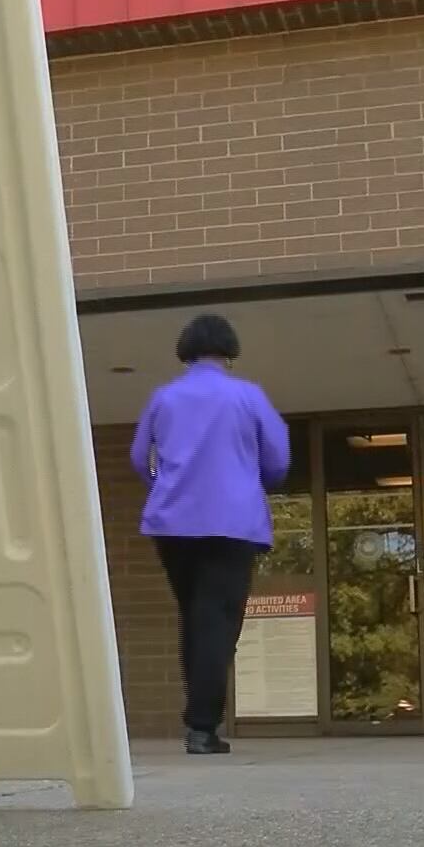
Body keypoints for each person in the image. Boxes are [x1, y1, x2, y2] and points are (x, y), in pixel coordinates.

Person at [129, 314, 290, 755]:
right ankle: (202, 726)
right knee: (217, 622)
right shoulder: (248, 397)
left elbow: (139, 457)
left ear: (186, 349)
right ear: (229, 350)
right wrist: (254, 482)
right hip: (233, 522)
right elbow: (278, 458)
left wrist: (165, 487)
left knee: (195, 617)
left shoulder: (164, 398)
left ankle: (199, 720)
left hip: (173, 523)